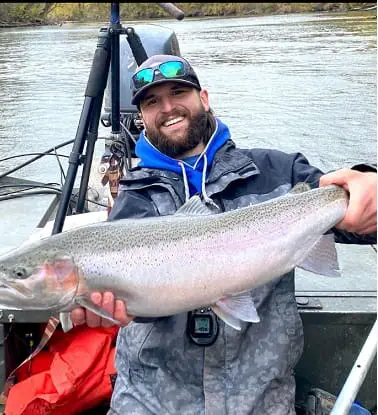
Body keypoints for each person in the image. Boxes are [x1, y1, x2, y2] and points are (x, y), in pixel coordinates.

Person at [71, 54, 377, 414]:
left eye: (178, 93)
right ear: (142, 118)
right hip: (153, 403)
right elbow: (143, 307)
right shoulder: (134, 200)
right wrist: (118, 308)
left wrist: (366, 181)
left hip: (261, 402)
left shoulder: (277, 171)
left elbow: (356, 219)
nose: (168, 107)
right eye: (152, 102)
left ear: (203, 97)